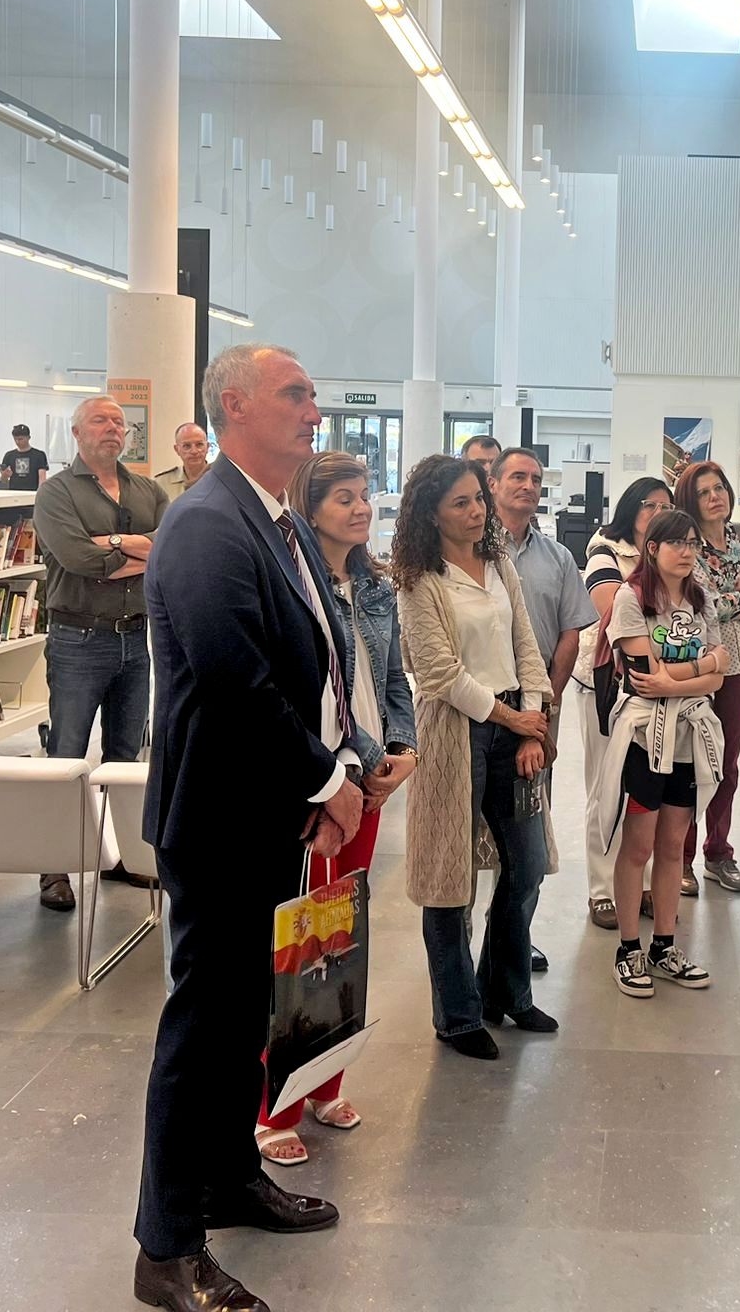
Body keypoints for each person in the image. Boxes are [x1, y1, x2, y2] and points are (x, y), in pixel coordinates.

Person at [133, 344, 353, 1312]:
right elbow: (234, 680)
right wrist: (325, 777)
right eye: (294, 394)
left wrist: (350, 757)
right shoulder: (205, 524)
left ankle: (228, 1179)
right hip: (219, 817)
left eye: (312, 396)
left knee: (241, 1025)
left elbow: (319, 659)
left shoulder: (275, 519)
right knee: (203, 1030)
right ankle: (165, 1248)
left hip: (268, 811)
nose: (314, 410)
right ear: (234, 405)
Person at [253, 451, 417, 1167]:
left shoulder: (376, 586)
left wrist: (404, 750)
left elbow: (393, 679)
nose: (360, 508)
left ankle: (326, 1082)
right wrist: (351, 768)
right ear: (309, 504)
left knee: (343, 933)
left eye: (364, 495)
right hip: (324, 779)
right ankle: (274, 1107)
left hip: (374, 774)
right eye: (343, 497)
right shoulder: (293, 583)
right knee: (301, 940)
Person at [395, 456, 555, 1060]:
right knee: (450, 880)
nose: (475, 512)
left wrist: (533, 725)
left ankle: (504, 992)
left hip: (515, 726)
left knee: (527, 865)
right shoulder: (420, 579)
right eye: (460, 503)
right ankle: (458, 1016)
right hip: (453, 733)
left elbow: (526, 646)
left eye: (478, 500)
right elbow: (438, 672)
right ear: (430, 513)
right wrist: (511, 719)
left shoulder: (498, 564)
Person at [30, 396, 169, 910]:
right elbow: (78, 559)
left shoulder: (148, 490)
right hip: (78, 640)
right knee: (66, 757)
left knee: (125, 757)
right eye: (100, 420)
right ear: (77, 432)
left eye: (118, 422)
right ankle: (54, 869)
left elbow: (170, 546)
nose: (113, 428)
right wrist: (139, 550)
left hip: (136, 639)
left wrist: (112, 542)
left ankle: (123, 856)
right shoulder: (56, 493)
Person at [592, 509, 728, 998]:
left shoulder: (701, 597)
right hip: (645, 739)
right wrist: (702, 669)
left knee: (673, 845)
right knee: (639, 846)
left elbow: (721, 674)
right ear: (653, 548)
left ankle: (664, 946)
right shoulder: (631, 599)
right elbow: (647, 677)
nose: (688, 552)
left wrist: (685, 677)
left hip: (689, 737)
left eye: (693, 543)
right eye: (677, 543)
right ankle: (629, 949)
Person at [490, 446, 596, 971]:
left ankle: (513, 942)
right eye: (517, 476)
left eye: (534, 478)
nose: (528, 486)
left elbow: (571, 633)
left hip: (539, 713)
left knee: (527, 839)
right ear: (493, 484)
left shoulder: (557, 558)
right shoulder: (470, 550)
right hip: (479, 708)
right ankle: (470, 949)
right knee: (469, 840)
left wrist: (545, 706)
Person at [576, 477, 673, 928]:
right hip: (607, 684)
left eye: (666, 507)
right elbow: (614, 612)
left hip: (656, 685)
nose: (657, 513)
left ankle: (643, 884)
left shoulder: (669, 551)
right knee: (605, 786)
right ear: (631, 508)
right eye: (649, 505)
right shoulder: (605, 550)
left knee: (647, 789)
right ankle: (601, 890)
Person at [674, 461, 740, 896]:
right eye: (704, 492)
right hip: (697, 663)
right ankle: (681, 858)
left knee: (727, 763)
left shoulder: (739, 536)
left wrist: (739, 597)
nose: (715, 497)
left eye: (719, 488)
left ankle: (718, 851)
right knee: (692, 761)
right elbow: (704, 606)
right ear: (690, 501)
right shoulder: (686, 543)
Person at [153, 421, 212, 502]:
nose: (194, 451)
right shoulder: (162, 483)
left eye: (199, 445)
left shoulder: (220, 479)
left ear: (207, 447)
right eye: (187, 446)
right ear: (177, 449)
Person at [0, 423, 49, 490]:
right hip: (14, 493)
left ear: (28, 438)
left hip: (32, 493)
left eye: (20, 439)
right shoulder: (9, 455)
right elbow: (3, 481)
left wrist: (39, 494)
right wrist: (4, 476)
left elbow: (42, 480)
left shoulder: (39, 455)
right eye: (15, 439)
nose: (17, 442)